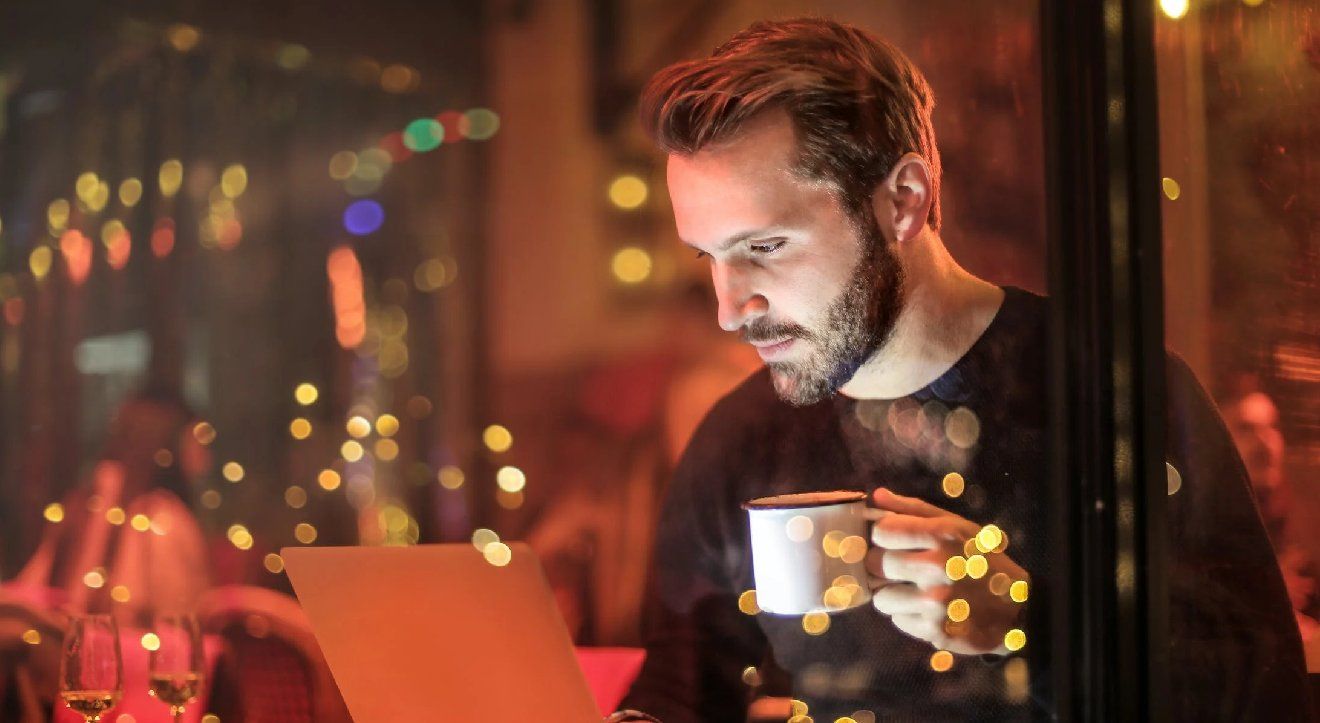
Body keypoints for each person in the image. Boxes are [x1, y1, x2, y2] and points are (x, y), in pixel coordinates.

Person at [602, 18, 1309, 722]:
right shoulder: (740, 438)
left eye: (765, 244)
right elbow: (682, 688)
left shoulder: (1113, 397)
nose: (730, 309)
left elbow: (1261, 695)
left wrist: (1028, 630)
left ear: (903, 200)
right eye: (710, 256)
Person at [1220, 382, 1320, 639]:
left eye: (1272, 426)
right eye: (1246, 428)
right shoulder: (1207, 527)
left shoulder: (1300, 520)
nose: (1265, 441)